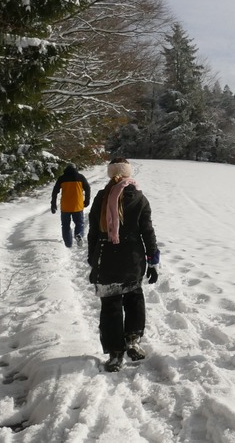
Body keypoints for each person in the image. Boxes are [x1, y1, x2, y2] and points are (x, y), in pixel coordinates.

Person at [87, 158, 160, 372]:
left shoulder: (101, 197)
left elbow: (93, 231)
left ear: (110, 174)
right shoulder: (138, 197)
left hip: (106, 257)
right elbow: (147, 231)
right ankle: (133, 341)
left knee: (110, 305)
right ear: (129, 174)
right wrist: (152, 259)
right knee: (134, 298)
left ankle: (115, 354)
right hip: (133, 259)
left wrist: (93, 260)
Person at [50, 164, 91, 248]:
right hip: (78, 205)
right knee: (79, 223)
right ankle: (78, 234)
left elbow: (55, 191)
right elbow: (87, 188)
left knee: (65, 225)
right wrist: (87, 200)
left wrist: (53, 204)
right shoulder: (80, 177)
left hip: (65, 206)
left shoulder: (62, 178)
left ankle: (68, 244)